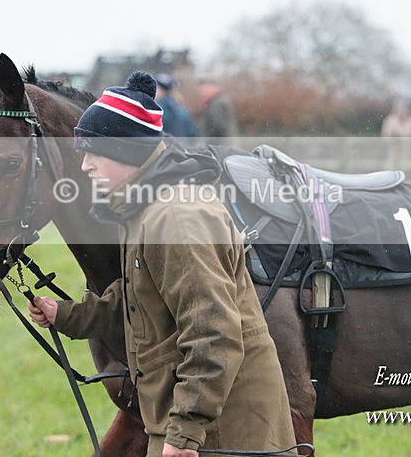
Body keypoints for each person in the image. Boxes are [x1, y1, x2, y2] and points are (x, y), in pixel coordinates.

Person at [28, 72, 296, 456]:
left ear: (127, 151)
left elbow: (213, 333)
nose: (85, 166)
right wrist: (66, 315)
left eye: (94, 153)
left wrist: (185, 433)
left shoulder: (175, 218)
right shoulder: (142, 209)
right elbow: (138, 298)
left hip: (225, 434)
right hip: (190, 425)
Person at [153, 72, 196, 142]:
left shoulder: (158, 109)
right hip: (183, 149)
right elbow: (191, 133)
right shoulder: (181, 109)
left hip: (166, 150)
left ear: (161, 90)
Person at [194, 80, 239, 147]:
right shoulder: (215, 102)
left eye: (204, 90)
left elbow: (219, 127)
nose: (202, 94)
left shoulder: (218, 104)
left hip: (220, 147)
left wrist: (205, 142)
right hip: (221, 146)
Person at [380, 99, 411, 170]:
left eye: (403, 109)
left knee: (405, 168)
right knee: (390, 166)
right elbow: (385, 135)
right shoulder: (390, 120)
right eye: (399, 109)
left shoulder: (410, 121)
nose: (401, 111)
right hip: (392, 149)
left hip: (406, 149)